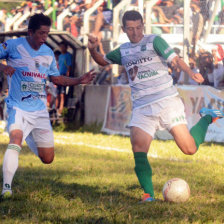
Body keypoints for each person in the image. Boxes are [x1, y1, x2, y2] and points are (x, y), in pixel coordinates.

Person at [88, 10, 224, 202]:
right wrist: (93, 49)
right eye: (130, 29)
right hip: (142, 108)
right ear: (123, 29)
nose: (134, 33)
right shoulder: (123, 50)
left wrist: (190, 71)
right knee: (138, 149)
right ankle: (148, 195)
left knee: (189, 149)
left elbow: (175, 59)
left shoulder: (154, 41)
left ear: (143, 25)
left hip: (167, 102)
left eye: (137, 28)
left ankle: (208, 117)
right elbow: (102, 61)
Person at [0, 13, 95, 199]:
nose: (45, 38)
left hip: (39, 111)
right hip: (17, 106)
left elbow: (56, 78)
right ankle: (6, 189)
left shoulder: (48, 53)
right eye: (41, 34)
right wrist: (4, 68)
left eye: (47, 34)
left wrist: (79, 80)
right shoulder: (13, 45)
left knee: (48, 158)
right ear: (30, 32)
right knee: (15, 139)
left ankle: (29, 136)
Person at [55, 41, 72, 117]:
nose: (62, 48)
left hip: (64, 76)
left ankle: (61, 109)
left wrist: (67, 78)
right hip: (59, 75)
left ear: (66, 47)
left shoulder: (68, 56)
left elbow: (69, 67)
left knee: (62, 94)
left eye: (63, 46)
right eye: (60, 47)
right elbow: (59, 66)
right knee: (58, 93)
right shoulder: (60, 56)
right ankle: (56, 109)